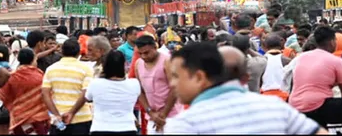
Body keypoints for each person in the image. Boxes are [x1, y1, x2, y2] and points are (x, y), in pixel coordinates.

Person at [162, 42, 324, 134]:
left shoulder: (185, 124)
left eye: (176, 76)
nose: (172, 83)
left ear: (199, 77)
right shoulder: (275, 107)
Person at [291, 26, 342, 133]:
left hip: (295, 105)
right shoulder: (336, 61)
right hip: (318, 106)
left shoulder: (301, 57)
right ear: (332, 41)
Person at [63, 50, 139, 135]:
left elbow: (87, 97)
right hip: (127, 128)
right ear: (124, 64)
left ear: (104, 65)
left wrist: (71, 112)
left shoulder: (95, 83)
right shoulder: (134, 84)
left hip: (100, 128)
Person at [42, 39, 93, 135]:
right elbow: (85, 93)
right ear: (79, 52)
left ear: (62, 51)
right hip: (81, 119)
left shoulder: (51, 69)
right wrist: (72, 112)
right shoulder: (87, 69)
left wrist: (56, 114)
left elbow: (45, 94)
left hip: (58, 121)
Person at [0, 48, 51, 136]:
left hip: (18, 118)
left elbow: (1, 96)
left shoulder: (12, 77)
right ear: (33, 60)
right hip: (38, 118)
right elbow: (47, 96)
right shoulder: (40, 76)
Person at [135, 34, 179, 134]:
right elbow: (140, 91)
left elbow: (175, 88)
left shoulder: (167, 60)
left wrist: (163, 114)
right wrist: (150, 112)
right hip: (153, 117)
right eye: (140, 53)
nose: (143, 56)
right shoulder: (138, 64)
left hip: (173, 115)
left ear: (155, 47)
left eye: (146, 53)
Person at [260, 34, 291, 101]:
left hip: (265, 97)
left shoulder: (261, 60)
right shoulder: (287, 61)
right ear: (281, 46)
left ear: (265, 46)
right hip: (284, 97)